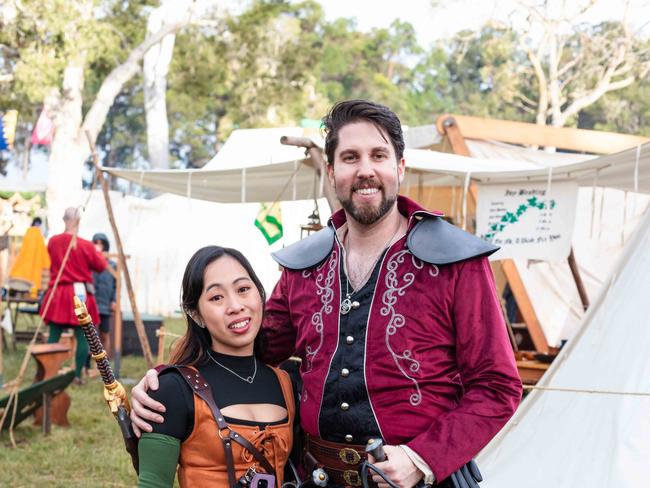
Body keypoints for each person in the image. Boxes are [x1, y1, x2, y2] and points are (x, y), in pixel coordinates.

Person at [131, 100, 522, 487]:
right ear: (332, 172)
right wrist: (169, 383)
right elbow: (248, 348)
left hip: (420, 482)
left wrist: (420, 459)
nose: (365, 170)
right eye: (350, 157)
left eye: (378, 155)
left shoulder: (456, 261)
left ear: (400, 167)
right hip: (319, 477)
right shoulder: (306, 265)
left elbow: (498, 387)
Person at [137, 246, 294, 487]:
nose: (235, 306)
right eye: (216, 297)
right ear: (195, 314)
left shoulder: (286, 384)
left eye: (243, 289)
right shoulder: (171, 390)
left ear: (260, 295)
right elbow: (152, 484)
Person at [40, 207, 107, 384]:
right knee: (82, 334)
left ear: (64, 220)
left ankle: (49, 374)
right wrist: (97, 252)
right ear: (78, 221)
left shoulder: (53, 241)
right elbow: (100, 266)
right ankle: (78, 375)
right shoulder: (86, 245)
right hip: (79, 294)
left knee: (54, 333)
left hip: (60, 294)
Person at [9, 217, 50, 298]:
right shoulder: (36, 233)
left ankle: (18, 291)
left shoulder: (29, 232)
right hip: (33, 263)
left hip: (26, 263)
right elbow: (40, 250)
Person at [91, 233, 116, 355]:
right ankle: (87, 363)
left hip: (105, 305)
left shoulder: (112, 265)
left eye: (101, 243)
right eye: (96, 243)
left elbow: (116, 286)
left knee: (105, 334)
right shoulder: (90, 263)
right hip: (92, 304)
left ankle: (106, 363)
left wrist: (114, 301)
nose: (99, 246)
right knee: (91, 336)